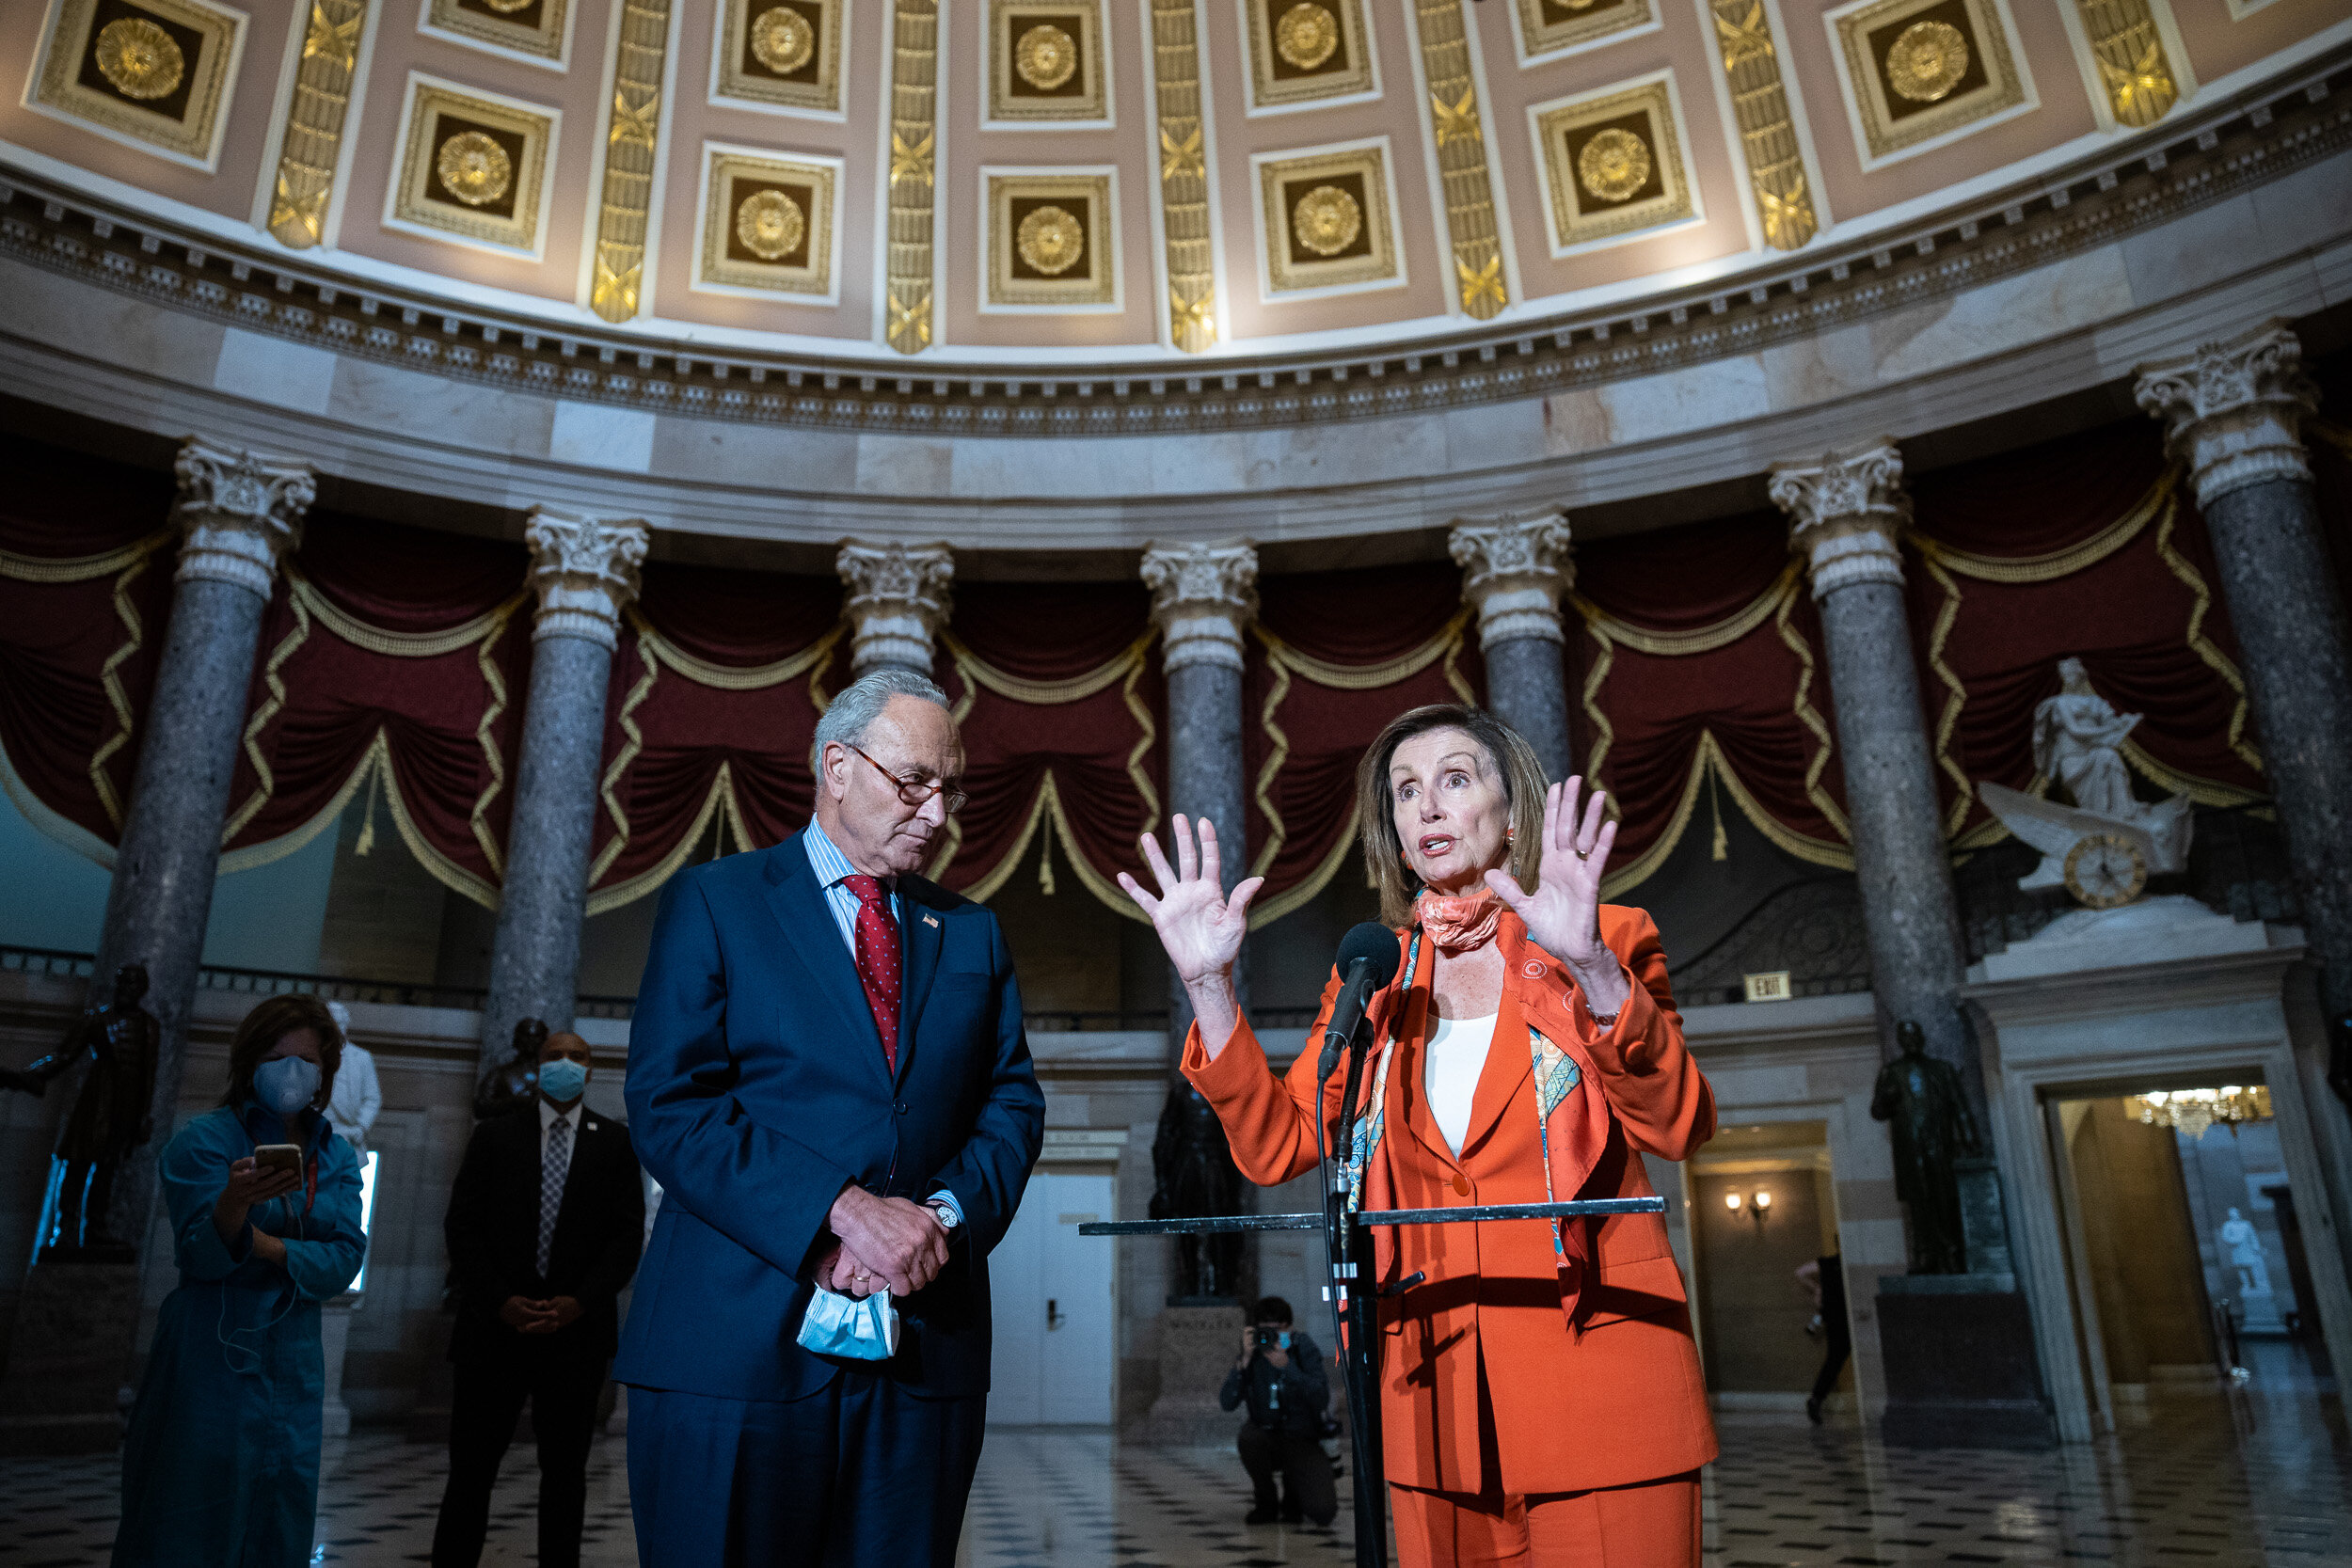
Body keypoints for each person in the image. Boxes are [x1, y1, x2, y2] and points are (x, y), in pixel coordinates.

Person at [1120, 703, 1717, 1568]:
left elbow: (1676, 1121)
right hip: (1432, 1411)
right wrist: (1210, 987)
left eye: (1454, 780)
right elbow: (1280, 1142)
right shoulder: (1374, 976)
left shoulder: (1609, 940)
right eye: (1405, 791)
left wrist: (1590, 968)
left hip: (1602, 1397)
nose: (1427, 805)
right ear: (1395, 834)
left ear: (1512, 814)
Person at [615, 667, 1046, 1568]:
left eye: (951, 789)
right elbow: (672, 1104)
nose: (937, 812)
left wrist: (937, 1219)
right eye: (914, 782)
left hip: (922, 1358)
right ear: (838, 766)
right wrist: (843, 1212)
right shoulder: (715, 902)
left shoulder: (971, 931)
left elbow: (1011, 1103)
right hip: (732, 1354)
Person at [113, 993, 365, 1567]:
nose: (292, 1072)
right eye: (278, 1057)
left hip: (294, 1354)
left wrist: (266, 1244)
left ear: (325, 1072)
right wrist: (231, 1206)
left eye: (307, 1060)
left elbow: (345, 1257)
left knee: (281, 1504)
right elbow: (200, 1255)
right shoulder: (202, 1142)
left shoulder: (338, 1157)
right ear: (250, 1060)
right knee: (189, 1507)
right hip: (210, 1349)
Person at [431, 1030, 644, 1568]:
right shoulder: (496, 1135)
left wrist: (579, 1302)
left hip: (575, 1335)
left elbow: (625, 1238)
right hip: (492, 1330)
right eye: (555, 1057)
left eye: (577, 1057)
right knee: (471, 1474)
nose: (565, 1065)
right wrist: (501, 1301)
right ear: (538, 1067)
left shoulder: (615, 1143)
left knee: (566, 1476)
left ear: (591, 1071)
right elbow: (463, 1227)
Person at [0, 961, 158, 1257]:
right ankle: (64, 1230)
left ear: (143, 989)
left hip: (126, 1110)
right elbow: (63, 1056)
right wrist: (29, 1076)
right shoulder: (96, 1020)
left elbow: (149, 1074)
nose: (125, 989)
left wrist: (144, 1116)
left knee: (107, 1172)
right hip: (95, 1104)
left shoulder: (150, 1026)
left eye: (132, 983)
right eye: (122, 982)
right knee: (76, 1167)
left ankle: (95, 1230)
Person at [1221, 1295, 1336, 1527]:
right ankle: (1266, 1502)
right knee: (1249, 1438)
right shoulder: (1253, 1354)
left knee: (1323, 1512)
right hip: (1265, 1435)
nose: (1271, 1339)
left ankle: (1294, 1496)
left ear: (1289, 1328)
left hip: (1302, 1438)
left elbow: (1320, 1398)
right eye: (1265, 1332)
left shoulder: (1303, 1347)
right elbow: (1227, 1402)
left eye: (1277, 1331)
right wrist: (1242, 1362)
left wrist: (1288, 1368)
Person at [323, 1001, 382, 1153]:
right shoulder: (312, 1055)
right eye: (332, 1024)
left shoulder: (362, 1058)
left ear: (346, 1024)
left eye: (340, 1023)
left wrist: (362, 1126)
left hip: (350, 1132)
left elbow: (372, 1098)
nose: (337, 1028)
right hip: (318, 1130)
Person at [1795, 1254, 1848, 1425]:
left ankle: (1816, 1399)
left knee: (1834, 1359)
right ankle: (1816, 1398)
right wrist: (1817, 1289)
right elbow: (1800, 1272)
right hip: (1840, 1316)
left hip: (1833, 1315)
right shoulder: (1835, 1263)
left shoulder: (1830, 1263)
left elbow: (1800, 1273)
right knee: (1835, 1359)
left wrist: (1817, 1289)